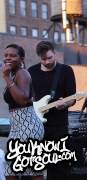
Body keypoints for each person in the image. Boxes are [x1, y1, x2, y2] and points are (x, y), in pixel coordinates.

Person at [28, 41, 76, 180]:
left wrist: (64, 103)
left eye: (50, 57)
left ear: (54, 53)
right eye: (44, 59)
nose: (48, 61)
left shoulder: (66, 70)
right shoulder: (31, 71)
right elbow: (28, 97)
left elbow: (72, 98)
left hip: (58, 126)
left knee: (59, 167)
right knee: (35, 166)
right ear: (39, 57)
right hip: (36, 125)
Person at [2, 44, 44, 180]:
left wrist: (6, 77)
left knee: (32, 171)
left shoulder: (22, 73)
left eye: (13, 55)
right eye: (6, 55)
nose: (8, 58)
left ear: (21, 58)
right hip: (17, 127)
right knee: (10, 168)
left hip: (28, 125)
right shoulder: (14, 74)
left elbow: (22, 100)